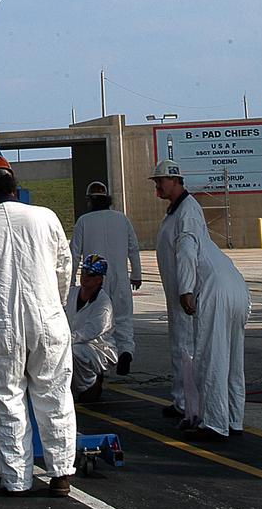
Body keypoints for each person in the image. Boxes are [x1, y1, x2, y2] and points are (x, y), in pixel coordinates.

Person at [0, 156, 76, 498]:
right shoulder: (46, 218)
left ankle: (16, 480)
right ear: (15, 186)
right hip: (48, 317)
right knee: (54, 394)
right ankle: (61, 473)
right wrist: (52, 304)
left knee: (6, 398)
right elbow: (63, 268)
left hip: (2, 324)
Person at [160, 193, 251, 441]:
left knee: (212, 359)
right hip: (239, 291)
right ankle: (234, 419)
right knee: (233, 361)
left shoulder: (187, 234)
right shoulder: (211, 245)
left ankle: (214, 424)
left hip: (216, 293)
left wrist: (185, 291)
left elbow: (186, 256)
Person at [151, 159, 210, 419]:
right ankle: (181, 399)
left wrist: (186, 289)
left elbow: (187, 252)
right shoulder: (175, 211)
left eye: (160, 181)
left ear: (175, 180)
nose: (157, 187)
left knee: (186, 348)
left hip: (185, 294)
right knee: (179, 346)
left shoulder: (187, 211)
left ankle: (189, 404)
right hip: (176, 294)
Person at [69, 181, 141, 375]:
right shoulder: (122, 219)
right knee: (123, 317)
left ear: (90, 200)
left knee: (95, 321)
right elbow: (133, 248)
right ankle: (126, 350)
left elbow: (74, 254)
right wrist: (136, 274)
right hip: (120, 278)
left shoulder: (84, 221)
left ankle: (101, 358)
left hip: (94, 280)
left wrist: (70, 283)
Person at [65, 254, 118, 402]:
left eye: (91, 274)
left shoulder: (103, 304)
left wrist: (64, 339)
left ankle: (90, 384)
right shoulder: (71, 294)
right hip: (72, 340)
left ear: (100, 279)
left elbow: (89, 332)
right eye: (84, 271)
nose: (85, 276)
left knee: (75, 351)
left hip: (96, 348)